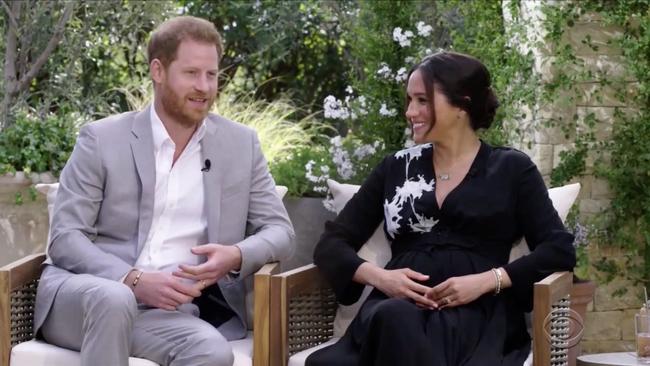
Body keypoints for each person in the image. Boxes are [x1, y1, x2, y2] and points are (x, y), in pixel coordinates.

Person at [33, 16, 294, 366]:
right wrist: (133, 280)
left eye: (212, 75)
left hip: (166, 312)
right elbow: (65, 237)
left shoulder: (240, 145)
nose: (204, 86)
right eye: (191, 73)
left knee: (213, 353)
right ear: (158, 71)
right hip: (84, 297)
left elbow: (281, 231)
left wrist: (235, 254)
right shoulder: (101, 139)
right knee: (115, 299)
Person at [306, 51, 576, 366]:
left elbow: (559, 249)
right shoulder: (395, 168)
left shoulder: (512, 169)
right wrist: (381, 278)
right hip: (393, 311)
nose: (410, 111)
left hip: (478, 318)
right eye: (409, 100)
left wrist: (489, 280)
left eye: (422, 100)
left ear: (461, 104)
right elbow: (331, 245)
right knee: (392, 318)